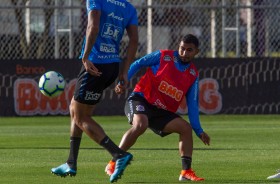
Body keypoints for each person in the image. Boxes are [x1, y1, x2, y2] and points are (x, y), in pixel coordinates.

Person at [51, 0, 138, 183]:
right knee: (77, 110)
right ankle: (71, 162)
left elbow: (93, 24)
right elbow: (134, 40)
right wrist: (124, 71)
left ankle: (118, 154)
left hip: (95, 63)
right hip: (112, 65)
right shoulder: (128, 7)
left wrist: (85, 56)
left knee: (80, 116)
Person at [105, 34, 210, 181]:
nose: (184, 53)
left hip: (161, 111)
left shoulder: (193, 75)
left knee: (186, 129)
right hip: (140, 99)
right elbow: (138, 63)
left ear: (196, 52)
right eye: (182, 48)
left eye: (189, 50)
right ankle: (114, 162)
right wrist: (123, 81)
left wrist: (198, 130)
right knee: (141, 124)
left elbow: (192, 105)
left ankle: (186, 172)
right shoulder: (163, 56)